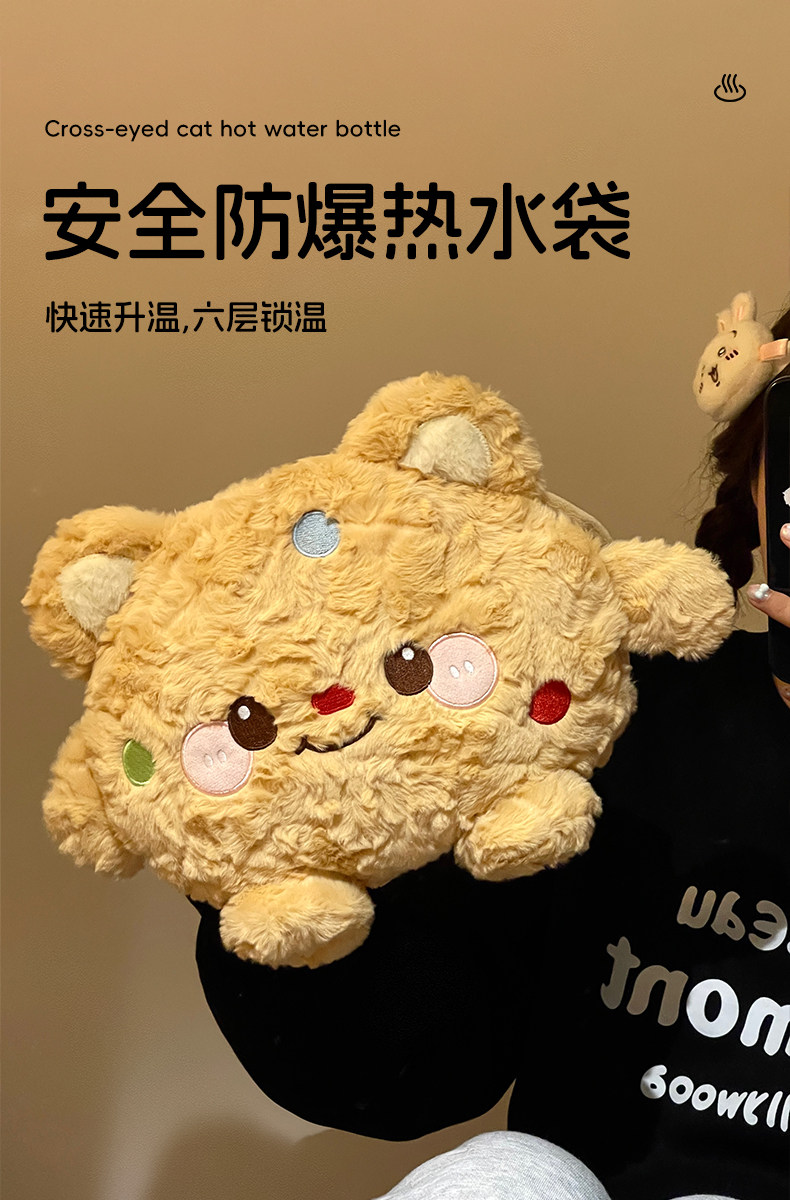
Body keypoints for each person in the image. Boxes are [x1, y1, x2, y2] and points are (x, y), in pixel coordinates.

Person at [192, 307, 790, 1200]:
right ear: (758, 479)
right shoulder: (613, 705)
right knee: (504, 1179)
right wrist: (274, 845)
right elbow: (397, 1067)